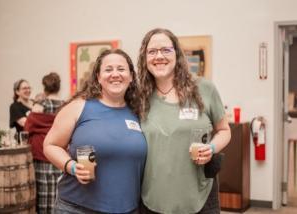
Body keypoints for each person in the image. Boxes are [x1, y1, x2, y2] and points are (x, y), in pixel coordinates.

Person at [137, 28, 231, 213]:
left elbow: (224, 131)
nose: (159, 56)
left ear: (177, 54)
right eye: (152, 51)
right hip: (153, 199)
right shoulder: (138, 96)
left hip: (199, 196)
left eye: (166, 50)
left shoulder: (204, 88)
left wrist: (211, 148)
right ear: (144, 58)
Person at [43, 49, 147, 214]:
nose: (115, 74)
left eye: (121, 69)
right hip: (77, 208)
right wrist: (72, 167)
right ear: (98, 77)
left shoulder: (139, 113)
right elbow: (50, 145)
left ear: (131, 76)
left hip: (128, 209)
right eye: (108, 69)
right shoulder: (79, 107)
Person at [24, 72, 64, 214]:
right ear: (59, 87)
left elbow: (28, 127)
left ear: (44, 87)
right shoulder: (65, 106)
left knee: (42, 195)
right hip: (60, 154)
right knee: (58, 192)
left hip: (41, 154)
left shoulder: (40, 105)